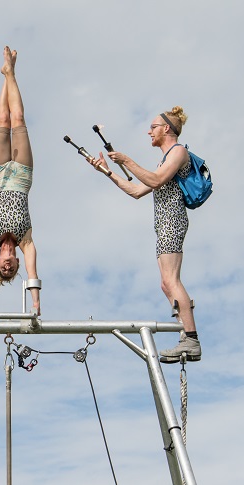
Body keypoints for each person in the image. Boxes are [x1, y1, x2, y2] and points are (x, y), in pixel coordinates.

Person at [90, 107, 201, 362]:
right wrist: (107, 171)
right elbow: (136, 191)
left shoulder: (178, 151)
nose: (148, 131)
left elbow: (154, 180)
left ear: (166, 129)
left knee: (172, 280)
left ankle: (191, 339)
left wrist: (127, 160)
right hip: (163, 224)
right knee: (165, 283)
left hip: (172, 221)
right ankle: (185, 335)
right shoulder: (164, 159)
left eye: (152, 127)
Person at [0, 46, 40, 315]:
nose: (7, 266)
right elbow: (34, 273)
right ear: (14, 261)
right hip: (22, 178)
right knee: (19, 119)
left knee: (3, 119)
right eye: (11, 268)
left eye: (3, 268)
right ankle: (10, 72)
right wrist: (36, 302)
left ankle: (7, 73)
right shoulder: (26, 242)